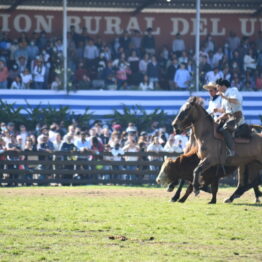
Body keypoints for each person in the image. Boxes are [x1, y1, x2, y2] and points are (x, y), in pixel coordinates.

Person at [214, 78, 245, 157]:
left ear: (223, 86)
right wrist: (217, 110)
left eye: (217, 86)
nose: (217, 89)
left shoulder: (233, 91)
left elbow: (236, 101)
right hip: (228, 117)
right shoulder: (224, 95)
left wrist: (224, 97)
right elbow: (225, 110)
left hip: (237, 116)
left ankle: (232, 151)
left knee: (224, 129)